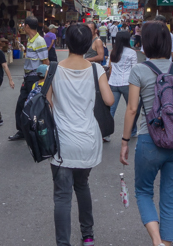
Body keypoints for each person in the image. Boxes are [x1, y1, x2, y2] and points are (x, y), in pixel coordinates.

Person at [120, 21, 173, 246]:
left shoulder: (140, 70)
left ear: (145, 44)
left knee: (143, 191)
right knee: (170, 200)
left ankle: (156, 241)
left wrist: (124, 142)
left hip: (149, 140)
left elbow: (132, 109)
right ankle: (166, 243)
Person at [46, 24, 114, 246]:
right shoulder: (97, 70)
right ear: (88, 44)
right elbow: (109, 100)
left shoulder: (53, 69)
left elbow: (46, 102)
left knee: (62, 196)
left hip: (62, 142)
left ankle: (63, 243)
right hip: (87, 140)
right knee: (82, 186)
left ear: (67, 41)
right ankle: (88, 235)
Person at [8, 16, 49, 142]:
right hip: (28, 77)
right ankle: (22, 130)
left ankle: (36, 131)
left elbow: (45, 62)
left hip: (35, 77)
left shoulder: (39, 41)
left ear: (26, 26)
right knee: (21, 104)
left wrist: (44, 81)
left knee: (33, 105)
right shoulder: (31, 40)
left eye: (23, 25)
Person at [106, 31, 138, 142]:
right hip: (127, 83)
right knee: (132, 108)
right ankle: (132, 131)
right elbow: (134, 69)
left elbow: (109, 66)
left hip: (113, 83)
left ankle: (106, 133)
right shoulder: (131, 53)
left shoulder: (114, 52)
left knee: (111, 110)